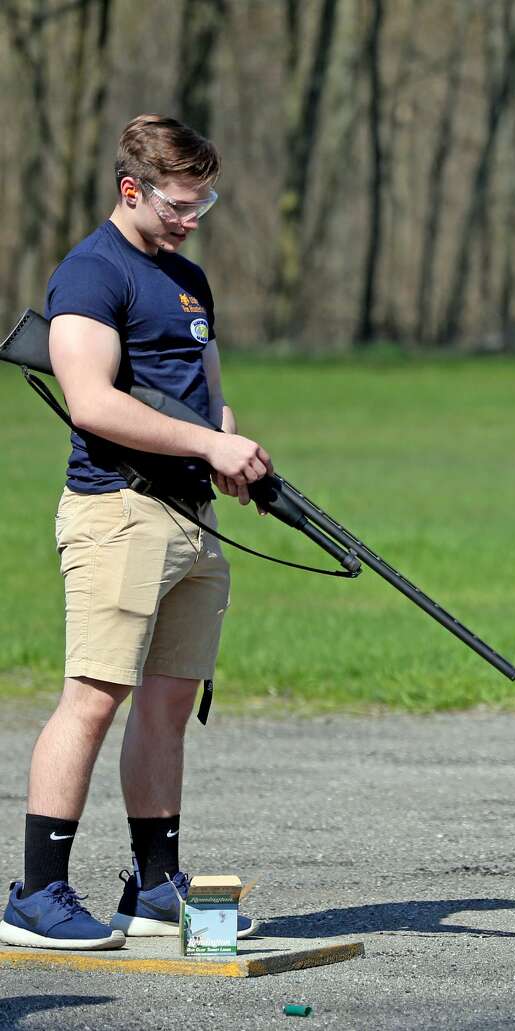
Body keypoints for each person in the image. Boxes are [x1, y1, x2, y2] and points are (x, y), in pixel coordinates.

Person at [0, 115, 272, 949]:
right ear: (133, 190)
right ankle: (36, 896)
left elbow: (204, 393)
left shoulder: (188, 278)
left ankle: (153, 887)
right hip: (118, 510)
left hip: (193, 518)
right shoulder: (91, 272)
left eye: (205, 202)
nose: (195, 217)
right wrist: (207, 441)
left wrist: (228, 443)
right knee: (94, 696)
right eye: (183, 204)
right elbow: (93, 401)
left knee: (167, 701)